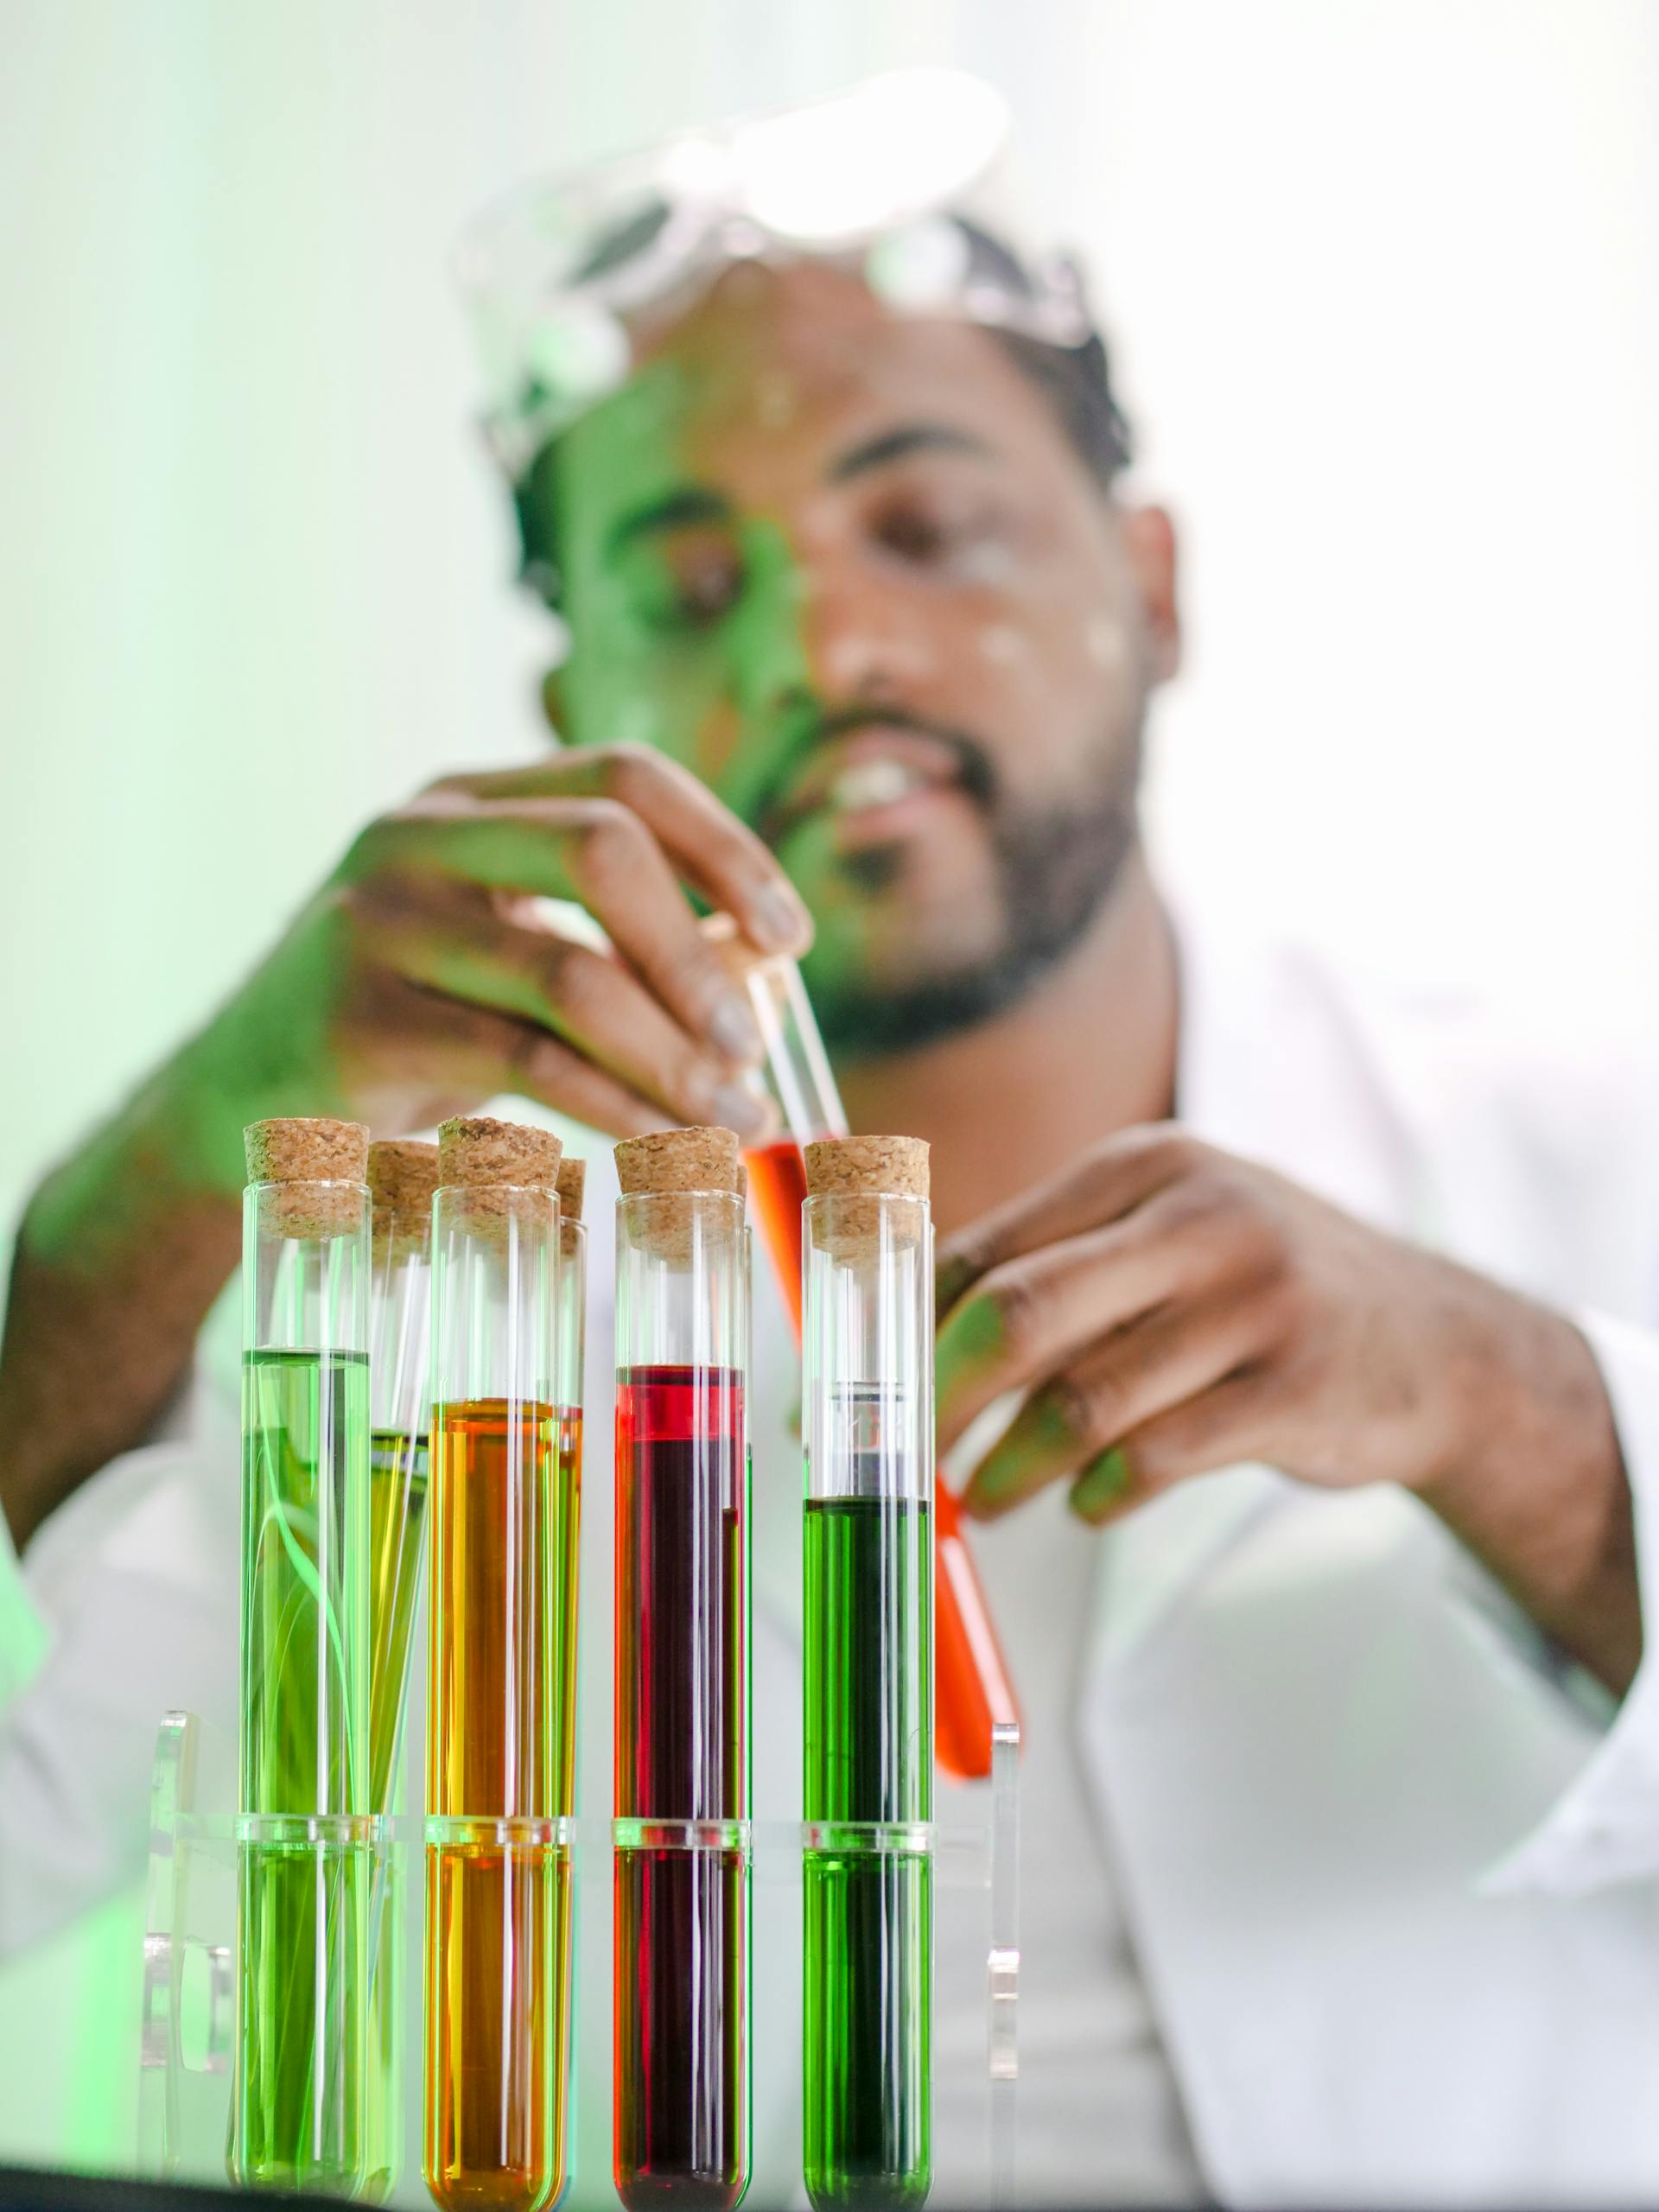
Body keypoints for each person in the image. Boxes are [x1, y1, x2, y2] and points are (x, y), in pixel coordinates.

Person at [5, 71, 1659, 2205]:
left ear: (1153, 582)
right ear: (572, 701)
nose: (828, 644)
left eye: (930, 526)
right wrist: (189, 1148)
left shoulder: (1578, 1143)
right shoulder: (420, 1293)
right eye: (691, 584)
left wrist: (1522, 1417)